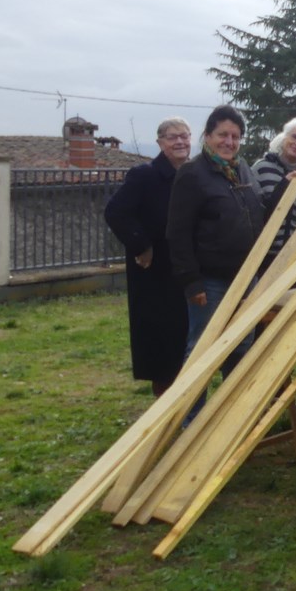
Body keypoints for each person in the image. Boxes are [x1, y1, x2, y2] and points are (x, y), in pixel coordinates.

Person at [166, 106, 273, 393]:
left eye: (235, 136)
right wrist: (191, 281)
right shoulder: (193, 173)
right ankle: (191, 417)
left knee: (241, 345)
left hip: (245, 277)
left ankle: (227, 414)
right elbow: (178, 232)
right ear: (208, 135)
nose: (229, 142)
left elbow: (256, 212)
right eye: (222, 135)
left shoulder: (242, 169)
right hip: (210, 281)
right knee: (202, 349)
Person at [102, 117, 191, 396]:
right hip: (155, 270)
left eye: (184, 136)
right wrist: (141, 246)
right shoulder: (145, 174)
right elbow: (115, 212)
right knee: (162, 340)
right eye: (172, 137)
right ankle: (164, 400)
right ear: (160, 143)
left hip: (187, 267)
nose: (179, 142)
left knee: (185, 335)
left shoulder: (192, 174)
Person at [252, 118, 296, 262]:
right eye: (295, 137)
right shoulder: (261, 168)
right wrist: (284, 185)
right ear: (285, 137)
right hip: (259, 258)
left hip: (291, 259)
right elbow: (250, 213)